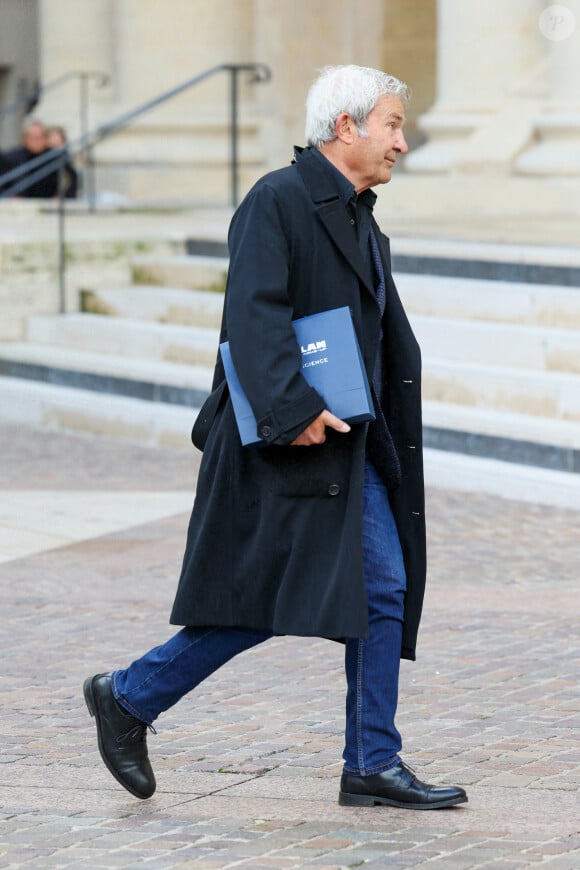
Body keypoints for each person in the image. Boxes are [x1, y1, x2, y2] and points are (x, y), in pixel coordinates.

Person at [83, 64, 468, 811]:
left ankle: (370, 761)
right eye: (392, 124)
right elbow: (253, 315)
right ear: (346, 126)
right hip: (288, 442)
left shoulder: (359, 212)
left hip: (350, 442)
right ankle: (128, 698)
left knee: (378, 591)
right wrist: (292, 413)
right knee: (267, 601)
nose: (403, 142)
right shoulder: (278, 200)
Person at [0, 119, 58, 198]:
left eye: (39, 137)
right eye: (32, 137)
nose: (35, 142)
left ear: (45, 139)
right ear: (25, 139)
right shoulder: (11, 158)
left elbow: (67, 183)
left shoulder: (54, 158)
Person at [46, 126, 79, 198]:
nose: (54, 150)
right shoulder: (41, 165)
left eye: (58, 144)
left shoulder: (68, 170)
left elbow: (71, 189)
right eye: (52, 145)